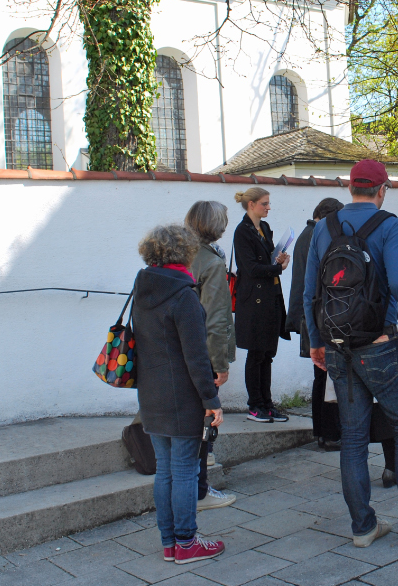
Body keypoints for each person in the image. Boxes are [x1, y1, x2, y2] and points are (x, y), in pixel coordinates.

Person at [304, 159, 398, 547]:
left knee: (352, 436)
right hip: (379, 343)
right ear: (381, 190)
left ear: (352, 187)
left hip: (336, 345)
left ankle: (363, 527)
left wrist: (316, 340)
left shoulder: (324, 227)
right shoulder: (388, 224)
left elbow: (309, 291)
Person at [133, 224, 226, 564]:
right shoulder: (183, 294)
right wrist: (211, 401)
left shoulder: (143, 287)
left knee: (165, 471)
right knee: (184, 470)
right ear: (185, 253)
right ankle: (187, 543)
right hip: (182, 398)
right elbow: (196, 357)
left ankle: (170, 543)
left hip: (152, 395)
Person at [185, 201, 238, 511]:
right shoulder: (211, 262)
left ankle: (193, 485)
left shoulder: (180, 255)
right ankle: (201, 491)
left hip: (177, 351)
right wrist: (219, 365)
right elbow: (216, 319)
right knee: (205, 422)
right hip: (202, 355)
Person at [287, 197, 344, 450]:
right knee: (328, 376)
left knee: (321, 376)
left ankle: (322, 432)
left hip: (311, 315)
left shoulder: (306, 234)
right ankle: (330, 434)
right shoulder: (317, 236)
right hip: (319, 316)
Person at [233, 187, 291, 423]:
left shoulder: (264, 228)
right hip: (254, 303)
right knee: (256, 354)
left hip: (270, 297)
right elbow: (250, 269)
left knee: (267, 354)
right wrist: (278, 268)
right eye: (264, 204)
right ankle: (255, 405)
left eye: (268, 204)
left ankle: (267, 403)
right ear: (251, 205)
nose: (268, 208)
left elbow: (267, 258)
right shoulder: (242, 232)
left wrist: (280, 257)